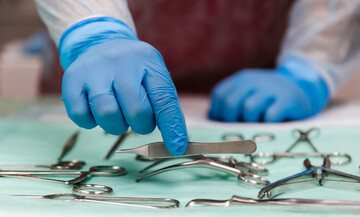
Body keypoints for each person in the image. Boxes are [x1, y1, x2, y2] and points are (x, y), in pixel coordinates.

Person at [34, 0, 360, 155]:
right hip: (99, 78)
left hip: (257, 88)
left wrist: (310, 66)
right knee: (100, 111)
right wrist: (94, 31)